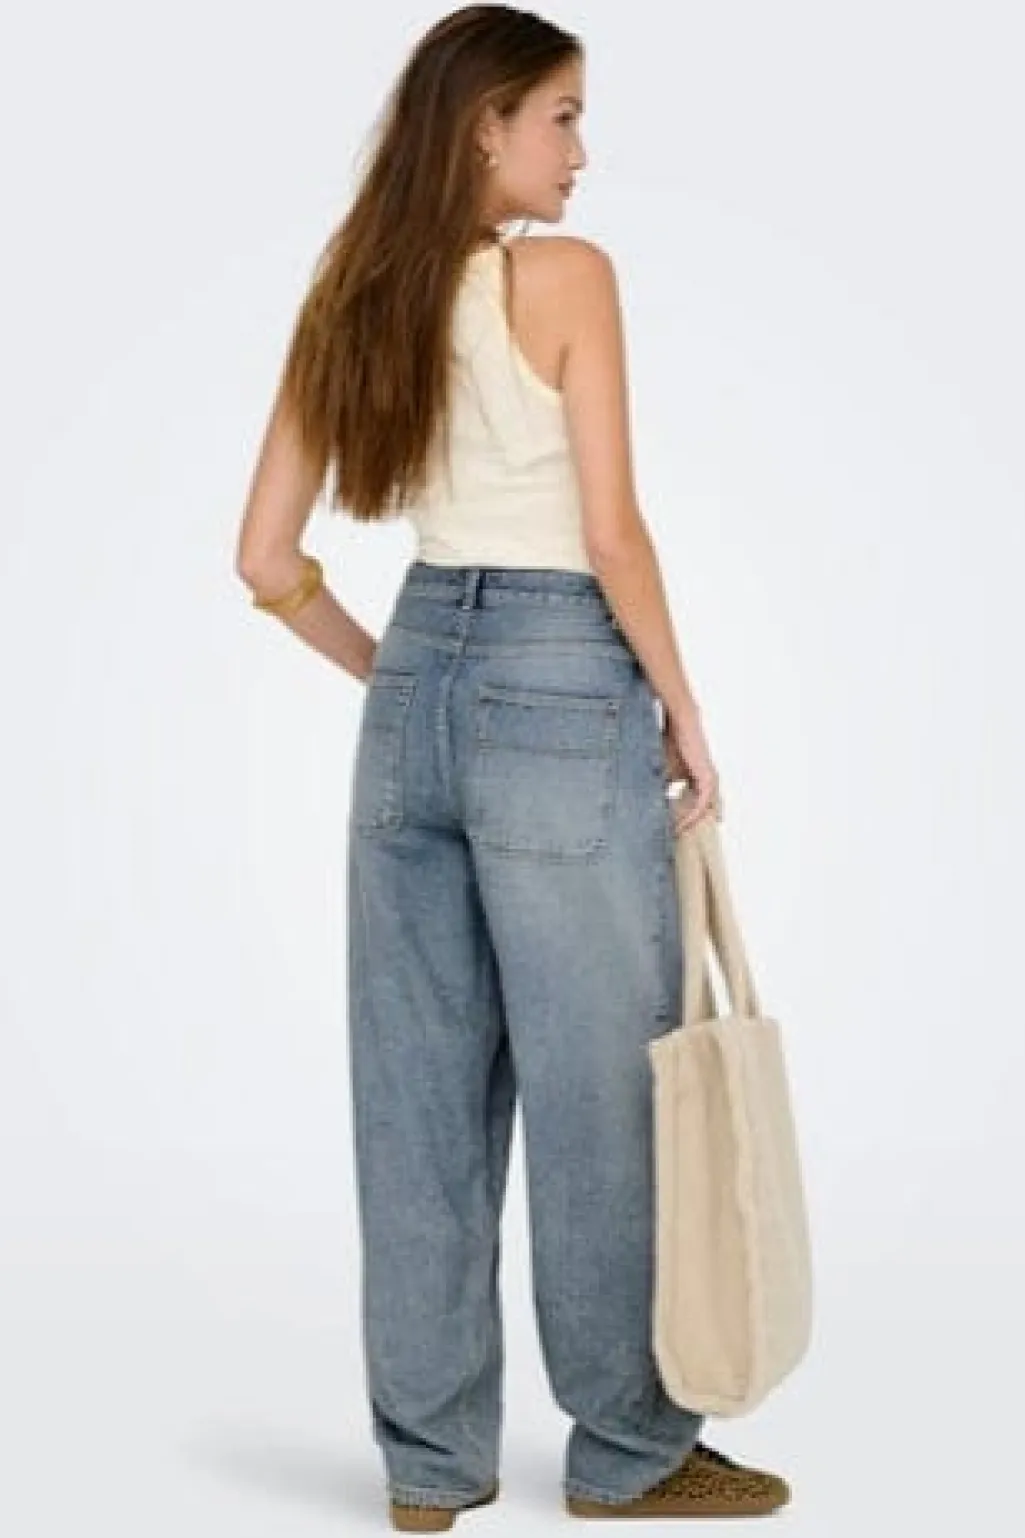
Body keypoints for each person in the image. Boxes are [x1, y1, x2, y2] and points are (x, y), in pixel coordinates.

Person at [234, 5, 790, 1530]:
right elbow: (612, 532)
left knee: (416, 1098)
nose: (580, 151)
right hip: (563, 684)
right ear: (483, 123)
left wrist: (400, 677)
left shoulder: (354, 293)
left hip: (415, 680)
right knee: (605, 1087)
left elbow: (264, 559)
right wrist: (682, 704)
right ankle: (628, 1455)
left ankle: (430, 1469)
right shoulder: (567, 278)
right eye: (562, 115)